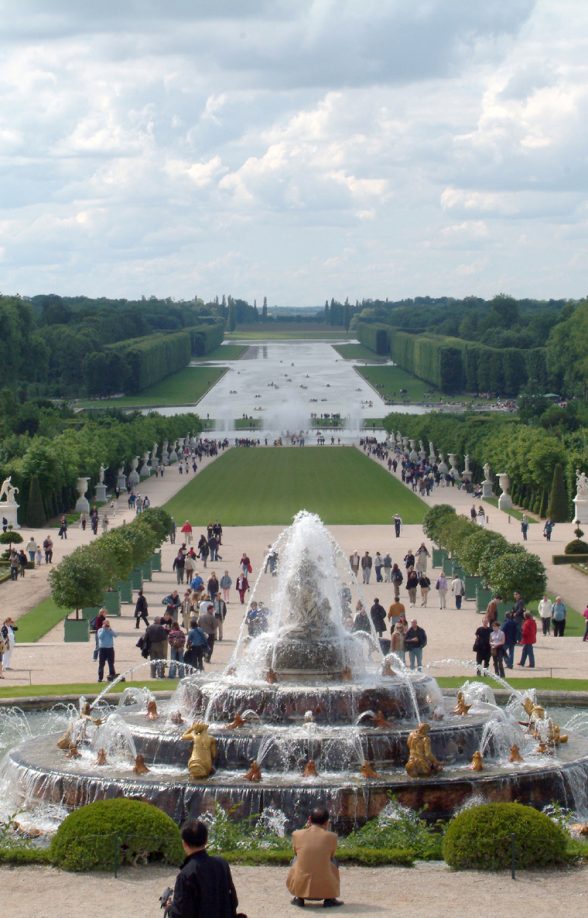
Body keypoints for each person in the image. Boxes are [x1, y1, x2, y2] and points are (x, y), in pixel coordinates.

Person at [167, 819, 239, 918]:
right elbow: (233, 901)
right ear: (206, 840)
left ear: (184, 843)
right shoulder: (222, 864)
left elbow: (181, 914)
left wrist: (169, 908)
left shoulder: (186, 874)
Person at [286, 807, 342, 909]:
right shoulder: (332, 837)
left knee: (296, 859)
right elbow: (331, 855)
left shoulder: (296, 834)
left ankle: (299, 898)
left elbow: (296, 852)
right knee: (333, 860)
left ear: (309, 819)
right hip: (325, 890)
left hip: (300, 888)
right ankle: (330, 898)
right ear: (327, 822)